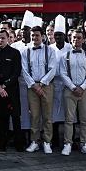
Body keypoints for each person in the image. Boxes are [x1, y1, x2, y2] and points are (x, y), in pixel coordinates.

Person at [58, 29, 86, 156]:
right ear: (70, 39)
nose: (76, 40)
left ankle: (84, 144)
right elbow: (62, 73)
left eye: (79, 38)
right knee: (69, 119)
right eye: (74, 38)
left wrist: (83, 87)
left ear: (83, 39)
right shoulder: (65, 56)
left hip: (85, 90)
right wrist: (73, 87)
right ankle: (67, 143)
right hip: (70, 90)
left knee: (84, 119)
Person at [22, 25, 57, 154]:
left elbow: (53, 69)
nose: (34, 38)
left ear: (42, 36)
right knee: (34, 115)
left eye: (37, 35)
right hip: (32, 87)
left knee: (47, 115)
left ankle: (47, 141)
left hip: (46, 85)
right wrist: (34, 85)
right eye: (32, 35)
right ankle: (34, 141)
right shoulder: (26, 51)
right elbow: (24, 70)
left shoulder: (50, 51)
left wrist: (41, 83)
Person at [0, 29, 24, 152]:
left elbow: (16, 72)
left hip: (11, 90)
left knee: (15, 117)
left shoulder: (15, 53)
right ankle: (2, 142)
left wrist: (5, 85)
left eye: (3, 38)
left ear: (9, 38)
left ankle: (19, 143)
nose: (0, 40)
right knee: (1, 118)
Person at [49, 15, 73, 148]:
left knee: (69, 113)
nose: (58, 37)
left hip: (67, 84)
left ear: (65, 36)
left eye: (60, 35)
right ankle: (54, 139)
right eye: (56, 35)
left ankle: (69, 140)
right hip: (53, 84)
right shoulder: (50, 48)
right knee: (53, 113)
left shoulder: (70, 48)